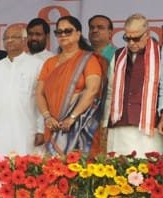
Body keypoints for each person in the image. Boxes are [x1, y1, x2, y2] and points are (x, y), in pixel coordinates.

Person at [36, 16, 105, 155]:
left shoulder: (88, 59)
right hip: (53, 125)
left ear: (78, 34)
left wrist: (72, 117)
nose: (63, 35)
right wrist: (47, 116)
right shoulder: (50, 62)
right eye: (59, 32)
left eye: (68, 31)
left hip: (80, 124)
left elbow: (92, 90)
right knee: (53, 169)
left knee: (79, 168)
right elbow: (39, 93)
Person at [104, 14, 162, 155]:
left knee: (147, 171)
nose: (131, 43)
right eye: (127, 38)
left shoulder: (159, 55)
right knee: (117, 171)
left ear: (147, 34)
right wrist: (105, 122)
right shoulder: (118, 56)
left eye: (136, 38)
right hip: (119, 125)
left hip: (149, 128)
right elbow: (111, 91)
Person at [0, 24, 45, 155]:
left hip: (27, 130)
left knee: (26, 170)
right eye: (6, 38)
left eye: (14, 37)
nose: (9, 40)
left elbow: (41, 100)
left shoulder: (37, 65)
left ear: (24, 40)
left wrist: (41, 129)